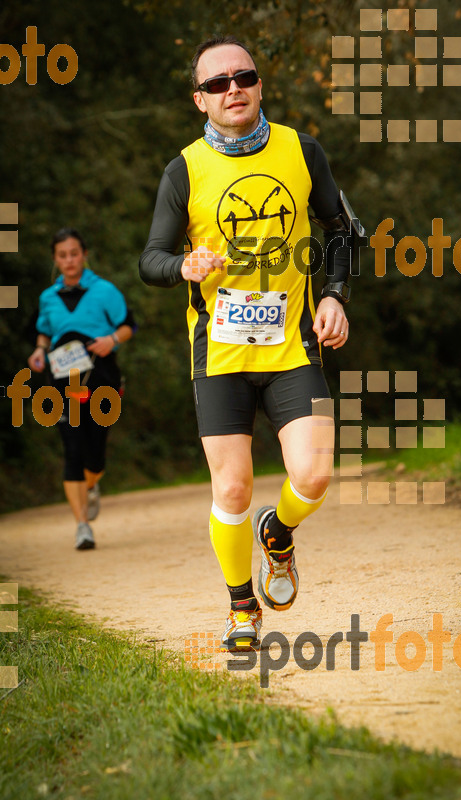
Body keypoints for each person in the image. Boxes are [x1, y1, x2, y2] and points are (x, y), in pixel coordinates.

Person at [140, 35, 355, 652]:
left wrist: (334, 295)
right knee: (230, 487)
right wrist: (182, 266)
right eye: (216, 84)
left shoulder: (300, 149)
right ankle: (240, 605)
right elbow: (148, 258)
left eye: (243, 76)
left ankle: (279, 533)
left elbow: (341, 230)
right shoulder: (184, 170)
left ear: (260, 85)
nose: (232, 88)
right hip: (221, 356)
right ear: (199, 100)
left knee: (313, 477)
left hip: (293, 350)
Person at [28, 228, 135, 550]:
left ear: (83, 254)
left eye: (74, 253)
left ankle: (92, 485)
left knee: (95, 455)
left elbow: (129, 325)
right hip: (63, 381)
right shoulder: (47, 298)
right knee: (72, 449)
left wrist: (112, 339)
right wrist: (38, 349)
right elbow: (44, 333)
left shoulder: (105, 291)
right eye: (62, 255)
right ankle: (82, 526)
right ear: (55, 260)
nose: (69, 260)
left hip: (102, 377)